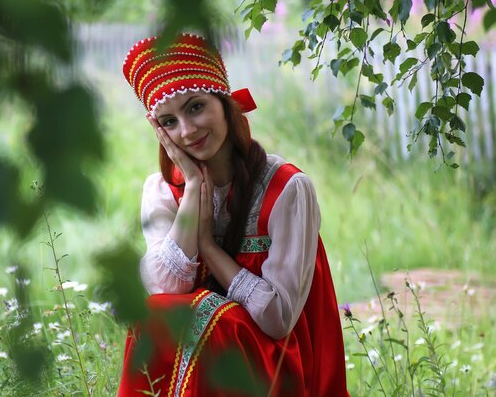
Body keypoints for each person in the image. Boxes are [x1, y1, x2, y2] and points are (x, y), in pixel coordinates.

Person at [118, 33, 348, 397]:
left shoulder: (286, 188)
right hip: (206, 360)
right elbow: (164, 292)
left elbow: (278, 319)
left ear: (224, 102)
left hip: (278, 363)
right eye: (169, 121)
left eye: (195, 107)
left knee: (216, 317)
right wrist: (193, 188)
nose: (187, 131)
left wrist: (208, 248)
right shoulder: (163, 191)